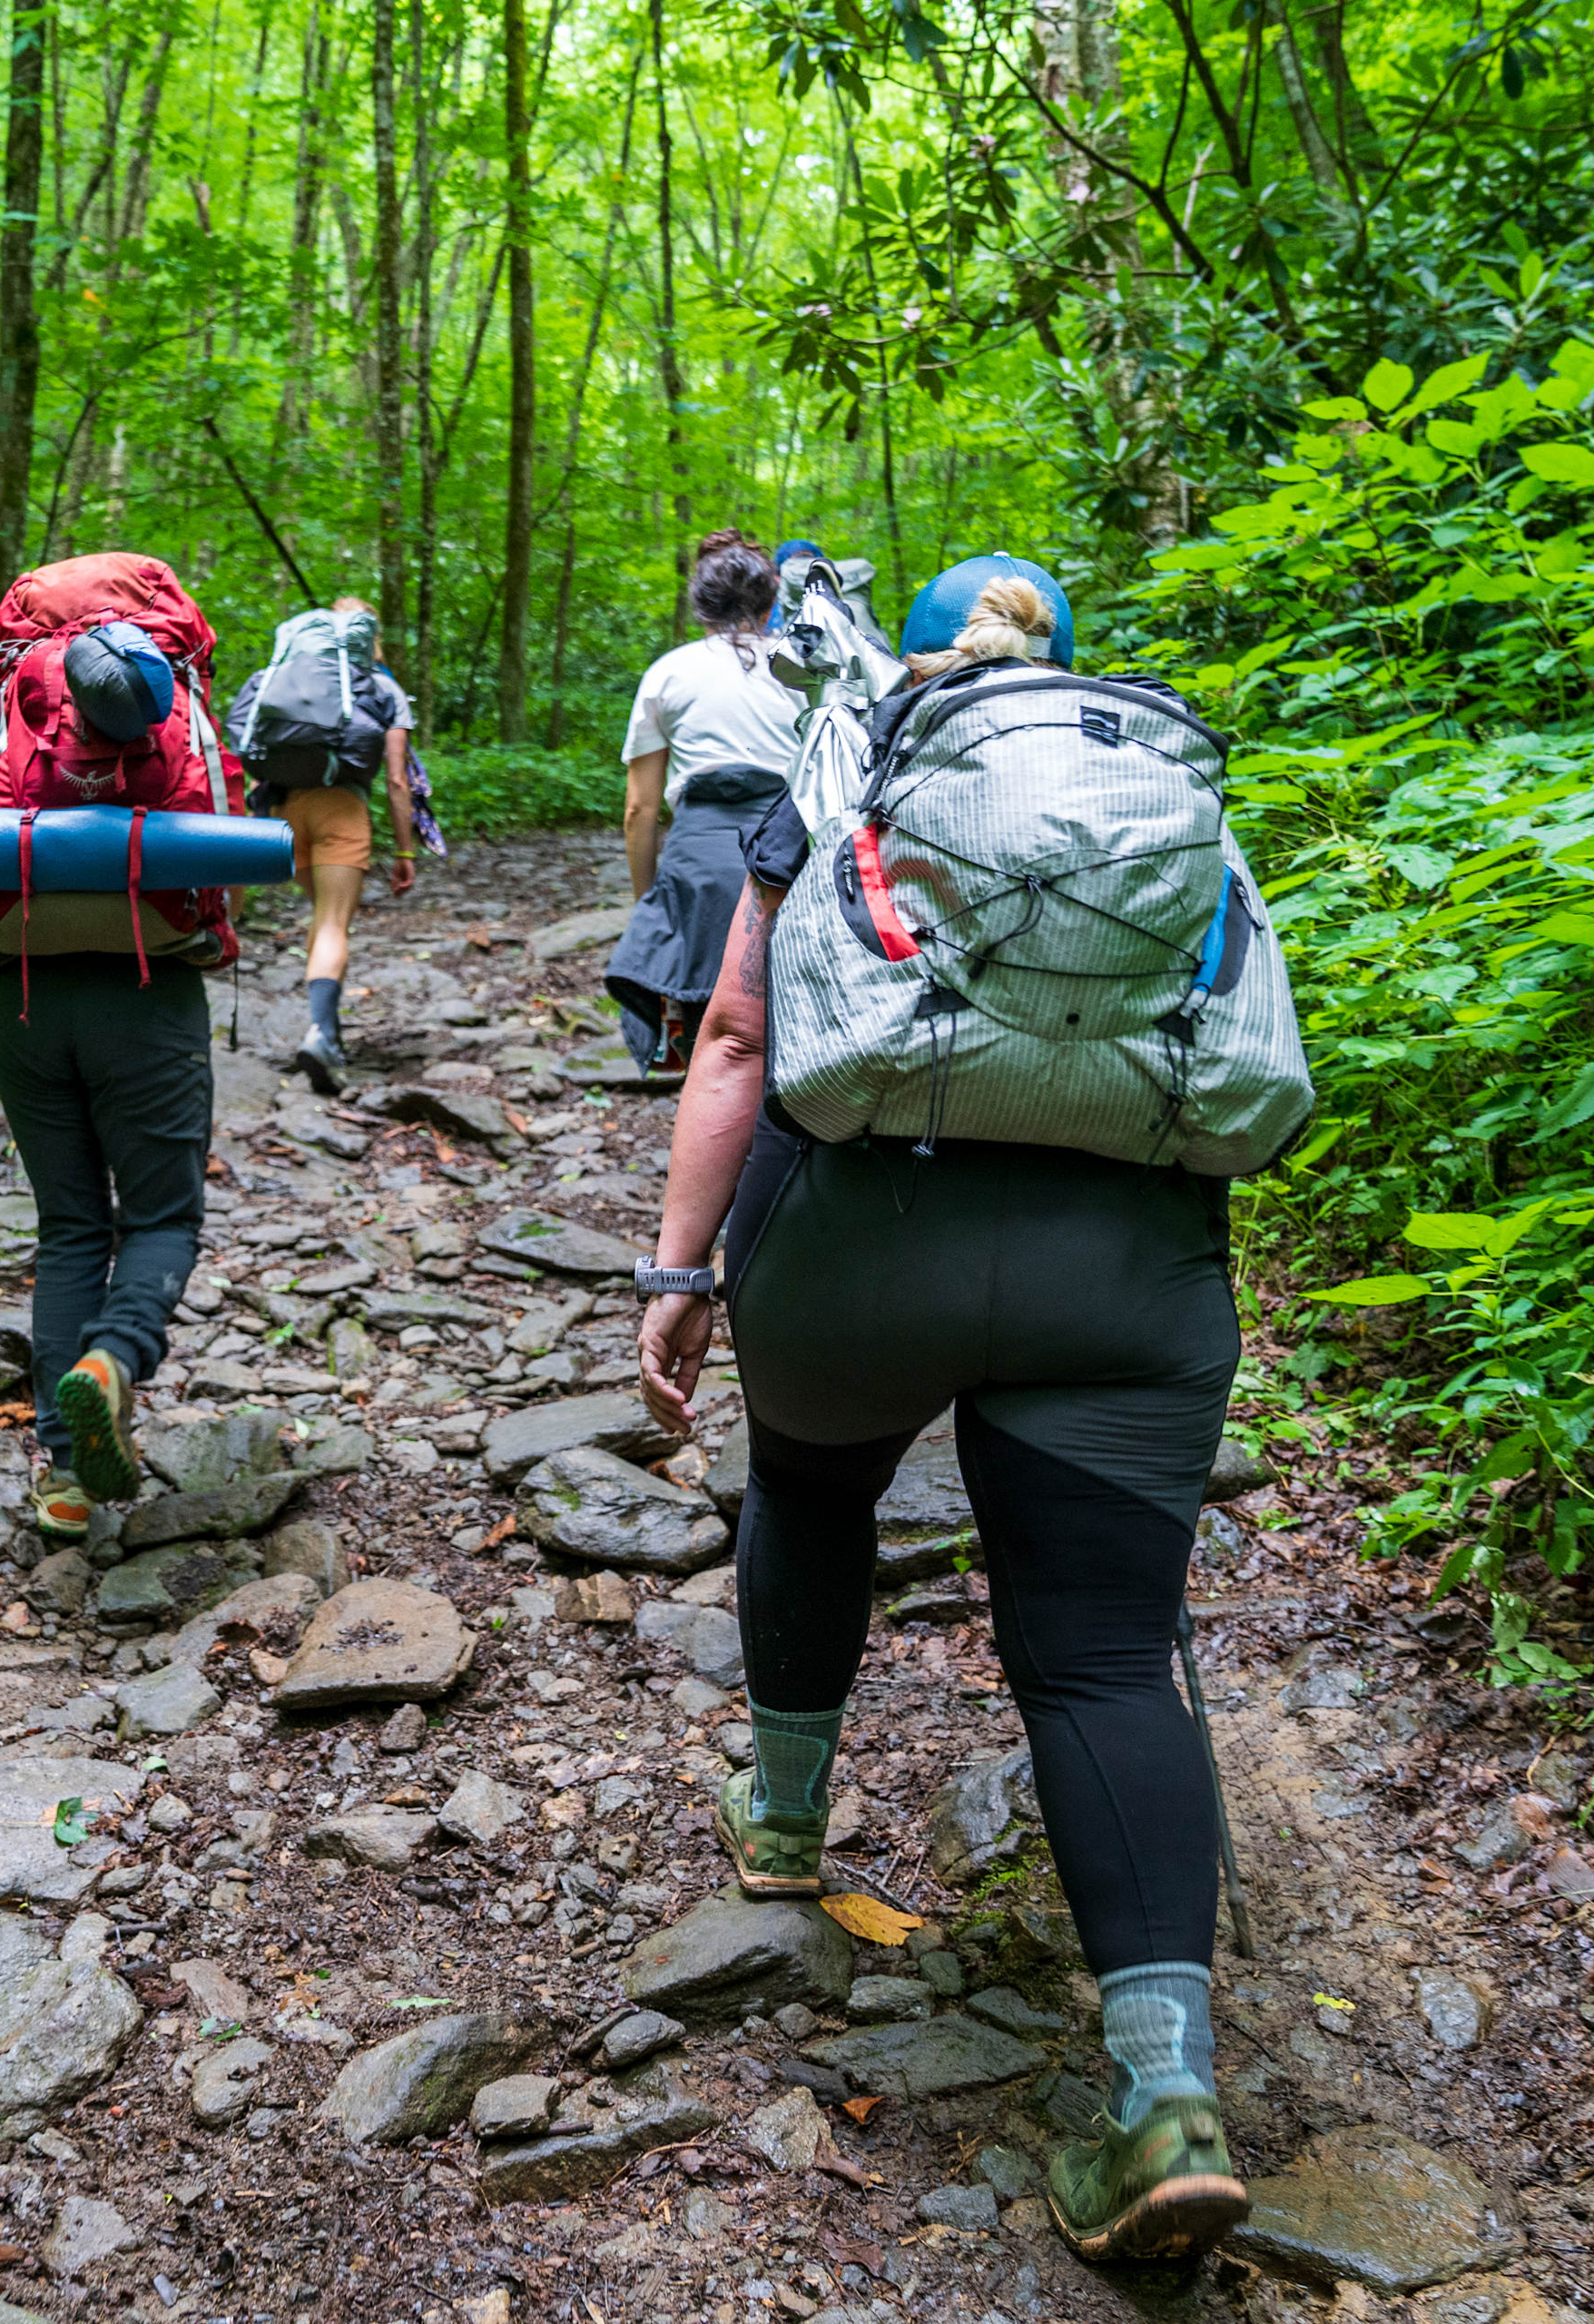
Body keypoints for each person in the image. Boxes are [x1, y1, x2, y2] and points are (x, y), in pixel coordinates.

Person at [631, 560, 1254, 2265]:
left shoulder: (854, 762)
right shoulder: (1157, 787)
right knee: (1108, 1655)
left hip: (859, 1246)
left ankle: (781, 1826)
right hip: (1124, 1270)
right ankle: (1167, 2099)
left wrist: (681, 1277)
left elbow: (743, 1042)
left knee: (816, 1496)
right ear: (1069, 660)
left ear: (903, 657)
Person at [0, 568, 230, 1542]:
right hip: (147, 997)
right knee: (160, 1217)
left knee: (68, 1227)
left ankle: (65, 1477)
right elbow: (221, 872)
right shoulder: (174, 708)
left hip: (22, 997)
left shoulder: (11, 715)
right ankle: (112, 1360)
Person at [605, 531, 806, 1070]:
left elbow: (639, 811)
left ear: (701, 607)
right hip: (790, 856)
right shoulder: (805, 673)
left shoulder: (668, 673)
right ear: (770, 607)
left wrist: (652, 899)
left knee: (708, 1035)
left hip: (697, 860)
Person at [228, 596, 424, 1093]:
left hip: (286, 813)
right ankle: (321, 1034)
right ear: (367, 636)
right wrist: (405, 851)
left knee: (322, 919)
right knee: (335, 924)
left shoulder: (284, 677)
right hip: (342, 808)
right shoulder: (381, 687)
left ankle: (326, 1028)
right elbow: (399, 781)